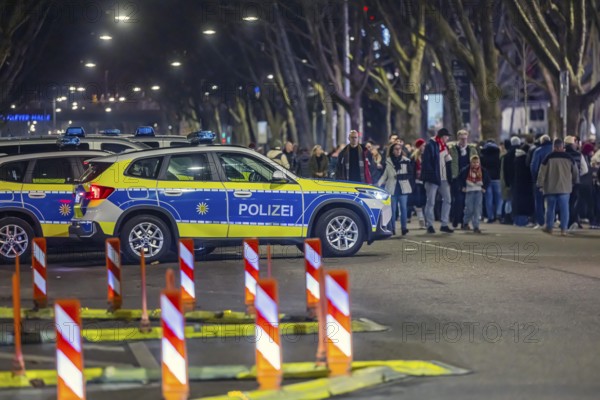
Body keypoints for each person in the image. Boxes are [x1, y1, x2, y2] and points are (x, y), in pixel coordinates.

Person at [536, 138, 579, 236]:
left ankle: (549, 227)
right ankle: (564, 230)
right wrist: (574, 181)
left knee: (550, 209)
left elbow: (541, 173)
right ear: (562, 147)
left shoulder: (548, 157)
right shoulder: (569, 158)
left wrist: (540, 184)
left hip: (550, 187)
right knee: (564, 209)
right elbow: (575, 171)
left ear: (554, 147)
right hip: (565, 187)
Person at [421, 128, 453, 234]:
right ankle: (429, 224)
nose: (448, 138)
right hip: (433, 178)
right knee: (431, 202)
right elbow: (427, 163)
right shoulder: (431, 145)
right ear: (442, 136)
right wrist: (431, 176)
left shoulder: (444, 147)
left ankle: (444, 224)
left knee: (448, 199)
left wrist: (450, 177)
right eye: (446, 136)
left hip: (443, 178)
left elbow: (448, 162)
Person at [378, 143, 413, 235]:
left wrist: (400, 176)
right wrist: (378, 184)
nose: (398, 151)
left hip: (403, 188)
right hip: (391, 189)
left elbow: (410, 174)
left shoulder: (406, 161)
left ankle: (404, 228)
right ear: (392, 151)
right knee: (392, 210)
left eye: (399, 149)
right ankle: (392, 228)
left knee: (403, 209)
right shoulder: (388, 161)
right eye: (396, 149)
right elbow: (384, 175)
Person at [449, 129, 478, 228]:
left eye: (465, 138)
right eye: (462, 139)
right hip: (456, 178)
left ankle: (464, 222)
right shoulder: (452, 149)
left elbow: (477, 163)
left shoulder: (472, 149)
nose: (464, 141)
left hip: (469, 178)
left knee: (468, 201)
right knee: (458, 200)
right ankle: (456, 219)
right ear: (458, 138)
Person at [459, 155, 490, 233]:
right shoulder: (466, 170)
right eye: (473, 162)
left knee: (477, 209)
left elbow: (487, 179)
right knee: (469, 208)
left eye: (477, 162)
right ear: (470, 162)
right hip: (469, 191)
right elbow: (460, 178)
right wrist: (463, 186)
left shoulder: (483, 170)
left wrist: (484, 187)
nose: (475, 164)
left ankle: (476, 226)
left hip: (479, 191)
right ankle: (465, 222)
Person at [529, 134, 553, 228]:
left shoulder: (538, 151)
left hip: (541, 179)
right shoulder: (553, 149)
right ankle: (551, 220)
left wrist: (535, 179)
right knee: (552, 201)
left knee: (539, 201)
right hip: (553, 179)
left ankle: (541, 222)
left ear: (541, 141)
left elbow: (534, 166)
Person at [480, 139, 502, 223]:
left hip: (487, 179)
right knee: (498, 198)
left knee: (488, 198)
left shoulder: (483, 155)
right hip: (497, 178)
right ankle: (498, 214)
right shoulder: (498, 154)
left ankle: (490, 216)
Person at [410, 138, 427, 229]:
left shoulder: (426, 156)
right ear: (419, 146)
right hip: (416, 182)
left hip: (424, 181)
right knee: (418, 202)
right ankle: (421, 220)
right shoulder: (413, 157)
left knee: (424, 201)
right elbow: (412, 171)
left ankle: (426, 220)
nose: (424, 147)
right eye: (423, 145)